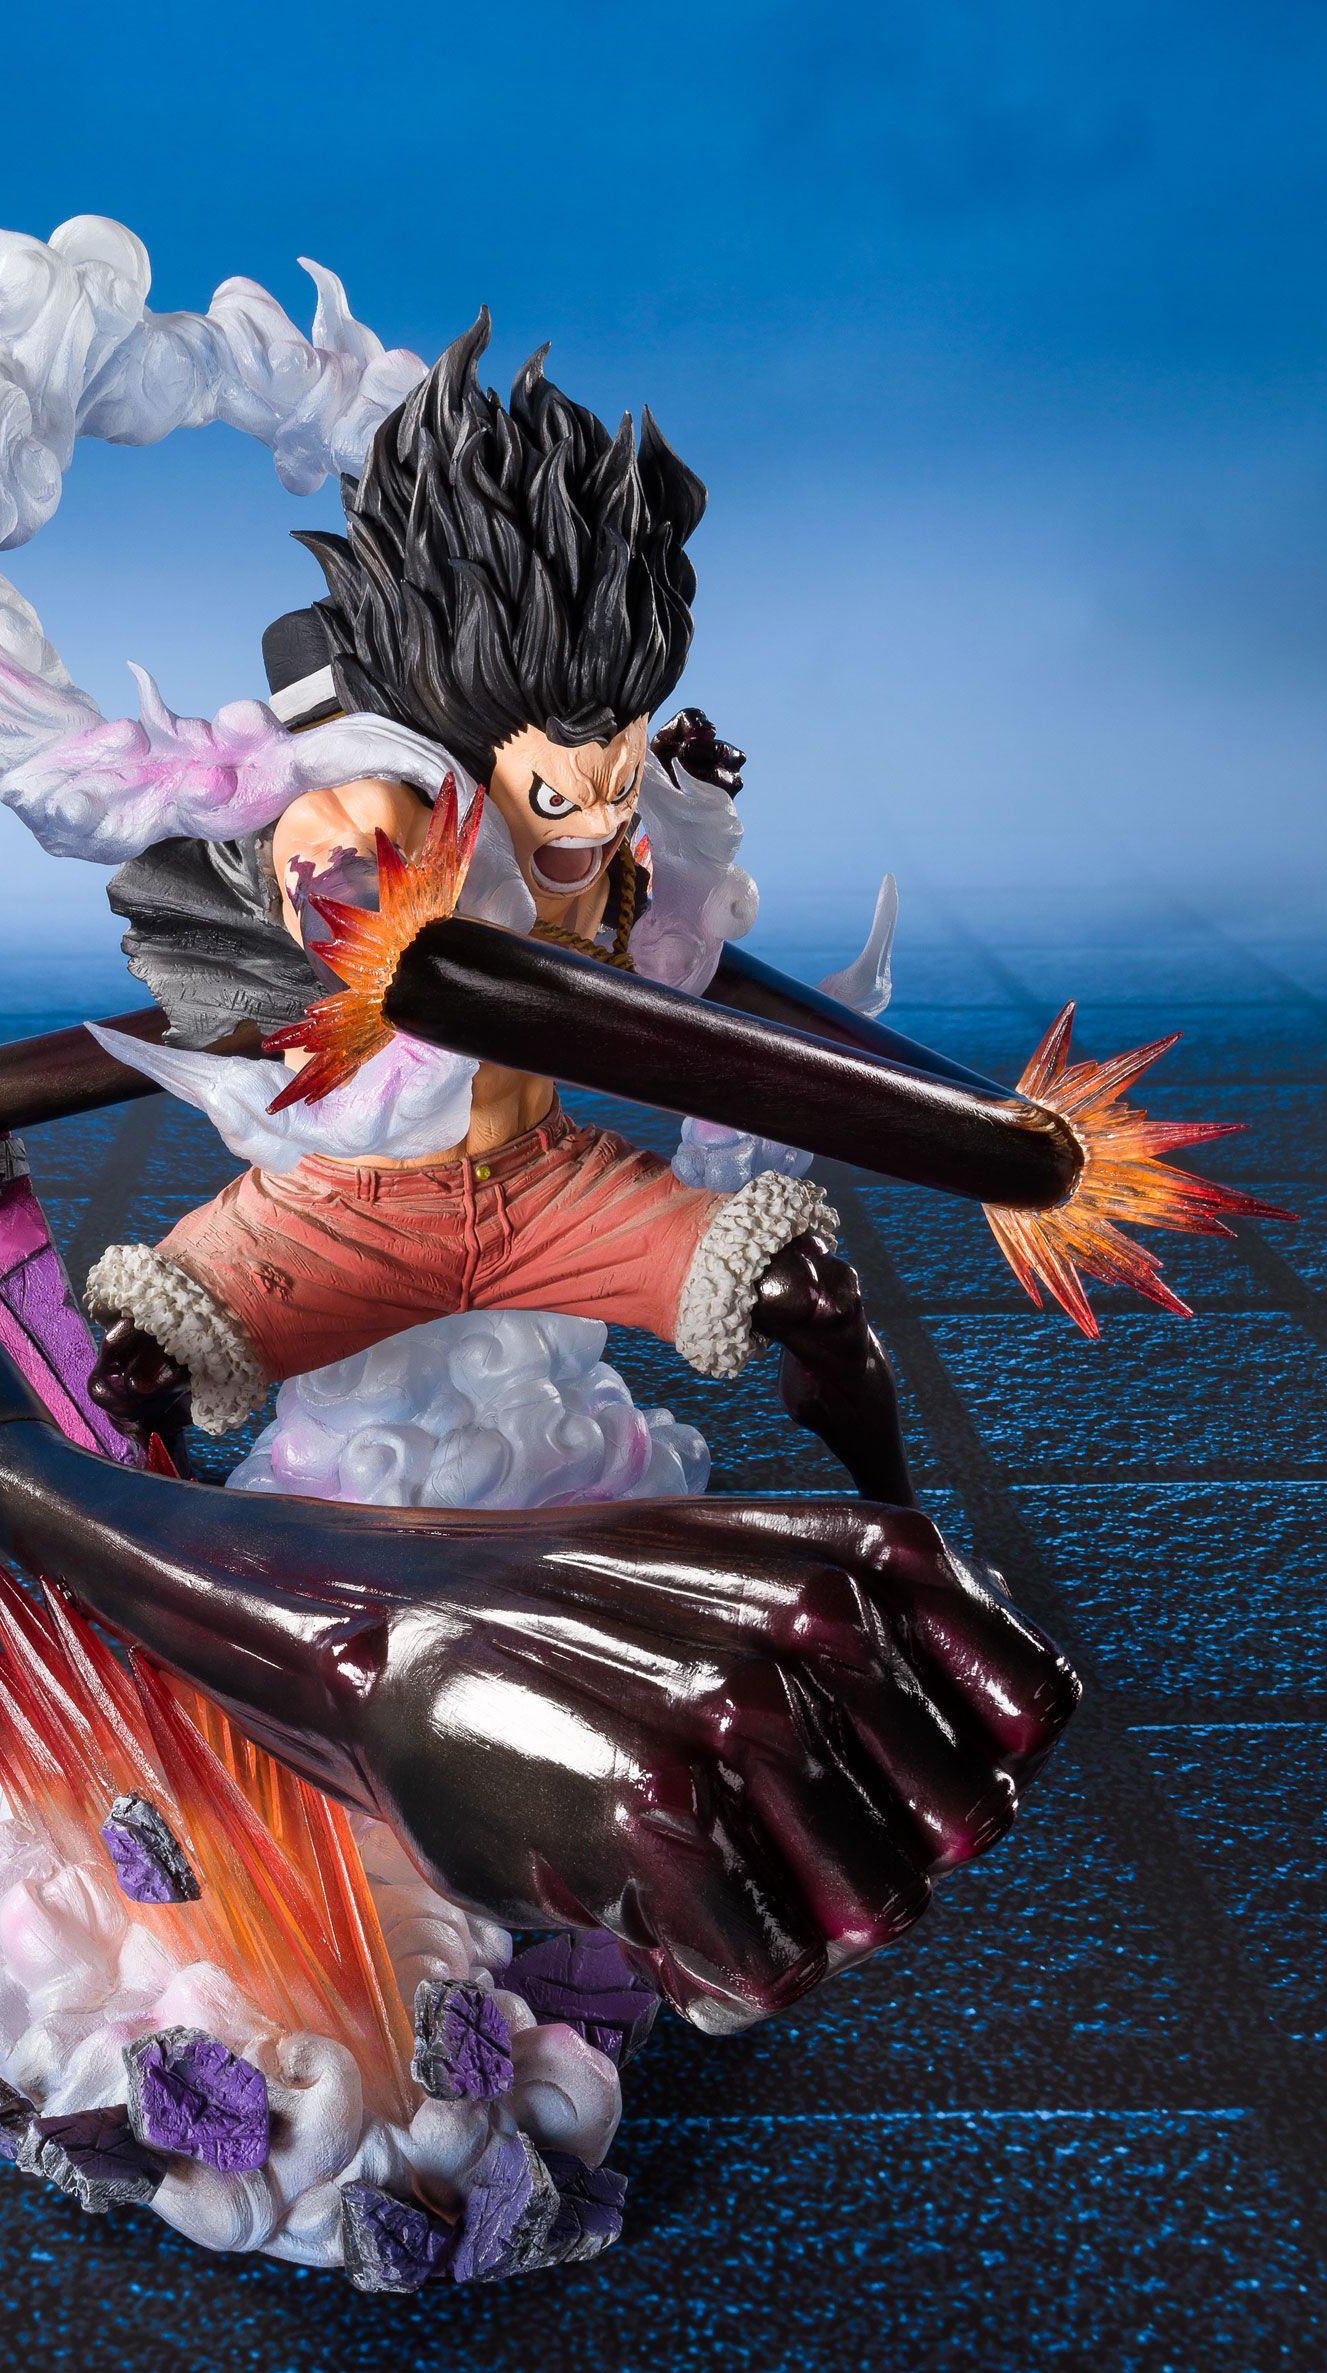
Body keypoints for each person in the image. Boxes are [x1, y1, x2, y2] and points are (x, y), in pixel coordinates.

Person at [85, 319, 915, 1505]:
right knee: (134, 1370)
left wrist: (687, 843)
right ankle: (172, 1541)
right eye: (560, 795)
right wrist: (348, 855)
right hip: (342, 1211)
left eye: (618, 778)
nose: (599, 818)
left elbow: (666, 970)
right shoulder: (369, 816)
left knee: (809, 1293)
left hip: (549, 1186)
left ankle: (898, 1529)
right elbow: (341, 889)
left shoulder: (609, 841)